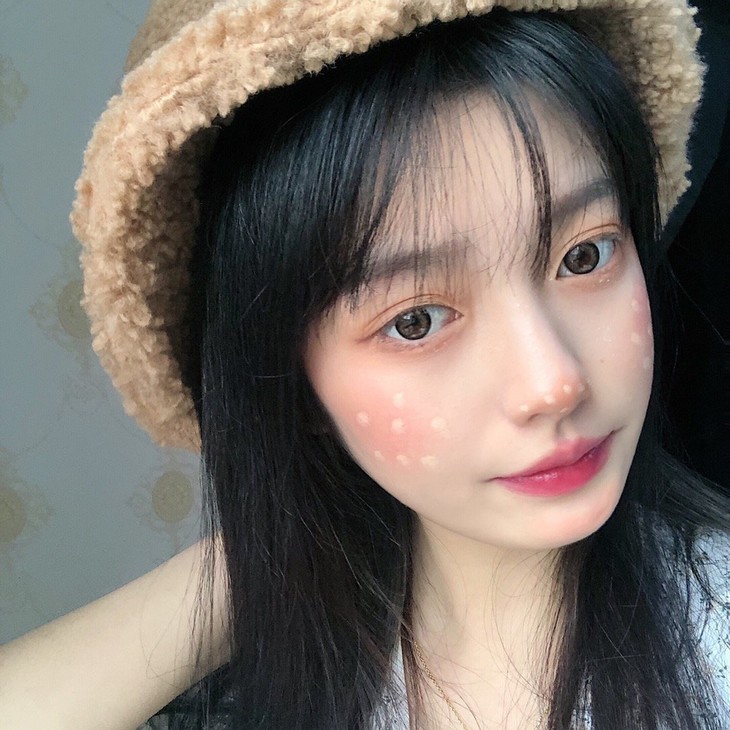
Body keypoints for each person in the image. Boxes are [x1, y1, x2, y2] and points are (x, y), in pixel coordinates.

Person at [1, 1, 729, 728]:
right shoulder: (254, 696)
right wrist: (268, 553)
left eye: (585, 255)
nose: (554, 383)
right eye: (415, 321)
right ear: (296, 387)